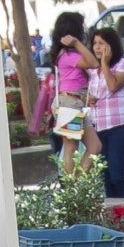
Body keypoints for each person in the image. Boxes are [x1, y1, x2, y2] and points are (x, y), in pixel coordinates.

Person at [83, 25, 124, 201]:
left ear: (111, 45)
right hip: (99, 127)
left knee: (116, 174)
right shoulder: (92, 70)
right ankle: (115, 214)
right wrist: (88, 99)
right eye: (95, 43)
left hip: (119, 127)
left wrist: (105, 63)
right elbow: (92, 94)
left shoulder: (122, 64)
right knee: (105, 176)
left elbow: (113, 85)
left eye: (102, 43)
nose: (97, 47)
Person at [48, 14, 89, 165]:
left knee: (94, 146)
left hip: (73, 103)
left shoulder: (68, 54)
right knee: (71, 147)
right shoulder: (69, 55)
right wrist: (78, 43)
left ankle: (79, 182)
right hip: (70, 102)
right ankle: (71, 185)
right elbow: (93, 63)